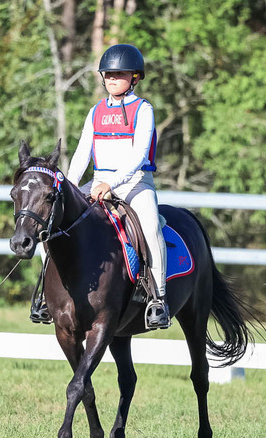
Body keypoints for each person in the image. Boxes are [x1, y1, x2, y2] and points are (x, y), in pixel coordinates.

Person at [49, 43, 169, 329]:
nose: (113, 78)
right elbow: (82, 153)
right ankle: (45, 295)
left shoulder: (144, 109)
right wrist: (67, 185)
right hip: (98, 181)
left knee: (151, 227)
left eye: (120, 73)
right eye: (109, 74)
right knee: (53, 220)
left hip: (136, 183)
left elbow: (139, 156)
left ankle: (158, 298)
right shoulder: (96, 111)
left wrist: (110, 183)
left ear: (135, 77)